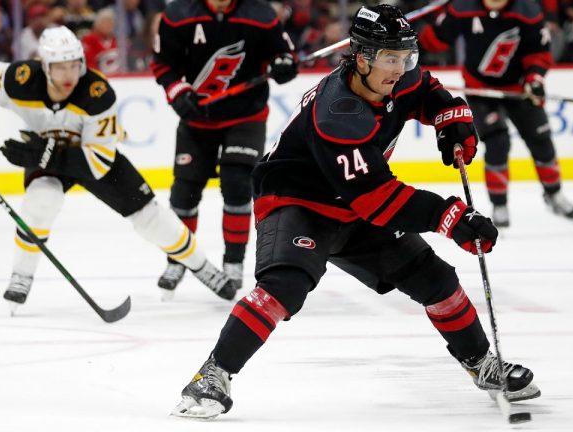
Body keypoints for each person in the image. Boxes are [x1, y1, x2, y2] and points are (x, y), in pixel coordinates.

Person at [172, 5, 541, 420]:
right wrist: (449, 217)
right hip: (297, 200)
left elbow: (428, 90)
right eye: (390, 58)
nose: (400, 68)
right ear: (362, 58)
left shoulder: (395, 78)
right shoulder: (339, 113)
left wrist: (450, 118)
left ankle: (481, 363)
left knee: (436, 278)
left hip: (352, 201)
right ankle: (211, 375)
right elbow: (378, 201)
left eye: (406, 57)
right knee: (285, 285)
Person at [0, 26, 237, 313]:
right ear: (44, 65)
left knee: (151, 218)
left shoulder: (97, 93)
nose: (70, 74)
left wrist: (48, 153)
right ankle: (21, 275)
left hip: (89, 156)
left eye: (75, 64)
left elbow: (97, 163)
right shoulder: (20, 79)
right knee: (40, 203)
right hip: (46, 155)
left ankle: (202, 266)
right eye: (61, 66)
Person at [151, 0, 298, 296]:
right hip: (197, 119)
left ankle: (233, 262)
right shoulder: (179, 15)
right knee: (184, 191)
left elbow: (285, 58)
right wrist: (177, 91)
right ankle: (179, 258)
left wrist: (282, 65)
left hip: (246, 116)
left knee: (237, 184)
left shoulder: (260, 14)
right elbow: (163, 64)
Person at [415, 0, 573, 227]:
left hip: (519, 88)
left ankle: (554, 194)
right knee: (497, 142)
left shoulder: (527, 9)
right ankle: (499, 204)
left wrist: (535, 79)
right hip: (480, 89)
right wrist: (407, 36)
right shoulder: (463, 7)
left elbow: (539, 51)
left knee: (540, 138)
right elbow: (434, 40)